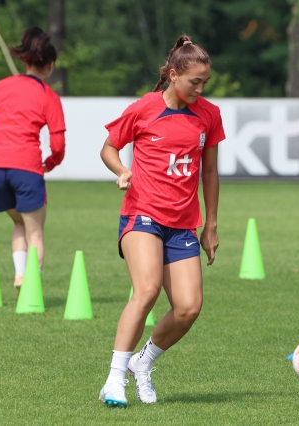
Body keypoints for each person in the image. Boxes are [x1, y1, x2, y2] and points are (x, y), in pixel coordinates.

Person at [98, 34, 224, 408]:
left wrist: (211, 225)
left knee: (188, 308)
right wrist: (122, 170)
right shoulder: (144, 108)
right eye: (193, 82)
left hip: (183, 223)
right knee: (148, 289)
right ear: (173, 74)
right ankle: (114, 380)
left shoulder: (209, 115)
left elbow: (211, 173)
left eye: (205, 83)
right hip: (142, 214)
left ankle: (143, 364)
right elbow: (108, 147)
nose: (199, 90)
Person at [0, 27, 65, 293]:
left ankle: (20, 275)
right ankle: (30, 287)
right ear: (50, 65)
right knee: (35, 232)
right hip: (26, 166)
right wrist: (50, 164)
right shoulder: (48, 96)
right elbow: (58, 145)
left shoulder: (2, 85)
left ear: (25, 60)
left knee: (19, 221)